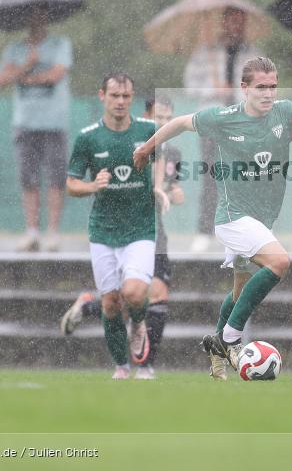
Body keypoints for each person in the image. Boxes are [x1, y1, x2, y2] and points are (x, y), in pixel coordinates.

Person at [134, 57, 292, 380]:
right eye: (261, 87)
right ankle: (230, 338)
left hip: (261, 220)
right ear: (244, 88)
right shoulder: (224, 117)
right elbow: (179, 124)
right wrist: (147, 148)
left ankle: (216, 354)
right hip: (231, 218)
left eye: (273, 86)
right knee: (280, 262)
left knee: (239, 290)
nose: (268, 93)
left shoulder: (287, 113)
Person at [60, 96, 184, 380]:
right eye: (159, 118)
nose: (164, 123)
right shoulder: (136, 142)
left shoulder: (171, 152)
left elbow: (176, 189)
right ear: (148, 117)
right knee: (123, 298)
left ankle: (146, 365)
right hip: (121, 229)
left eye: (169, 118)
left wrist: (171, 193)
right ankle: (93, 308)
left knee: (153, 293)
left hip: (153, 231)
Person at [0, 6, 72, 252]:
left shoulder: (61, 44)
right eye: (31, 15)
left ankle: (53, 232)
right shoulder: (15, 49)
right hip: (24, 122)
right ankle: (32, 231)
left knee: (56, 178)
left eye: (41, 14)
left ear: (47, 17)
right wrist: (28, 64)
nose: (37, 19)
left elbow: (56, 74)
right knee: (28, 178)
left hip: (53, 121)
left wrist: (25, 77)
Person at [184, 6, 262, 253]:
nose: (236, 26)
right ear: (224, 22)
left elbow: (262, 87)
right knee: (211, 175)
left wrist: (239, 93)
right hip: (213, 119)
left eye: (241, 22)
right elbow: (190, 85)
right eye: (232, 21)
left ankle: (243, 231)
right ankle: (205, 231)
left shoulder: (254, 55)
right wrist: (214, 91)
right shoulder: (205, 53)